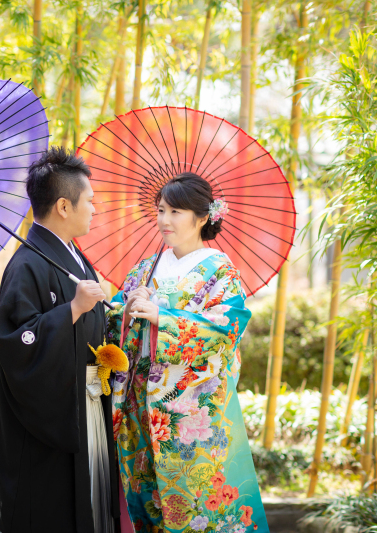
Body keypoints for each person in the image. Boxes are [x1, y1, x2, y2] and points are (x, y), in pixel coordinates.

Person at [106, 173, 270, 533]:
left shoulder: (220, 270)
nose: (164, 220)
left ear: (202, 217)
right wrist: (127, 308)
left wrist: (162, 318)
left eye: (175, 212)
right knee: (146, 498)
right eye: (161, 210)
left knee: (197, 501)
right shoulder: (146, 267)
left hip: (190, 411)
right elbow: (113, 319)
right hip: (140, 407)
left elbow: (225, 329)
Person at [0, 147, 122, 533]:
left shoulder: (73, 257)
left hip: (87, 403)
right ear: (64, 206)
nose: (94, 209)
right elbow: (16, 343)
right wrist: (72, 310)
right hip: (50, 419)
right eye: (90, 201)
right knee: (49, 509)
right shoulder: (27, 264)